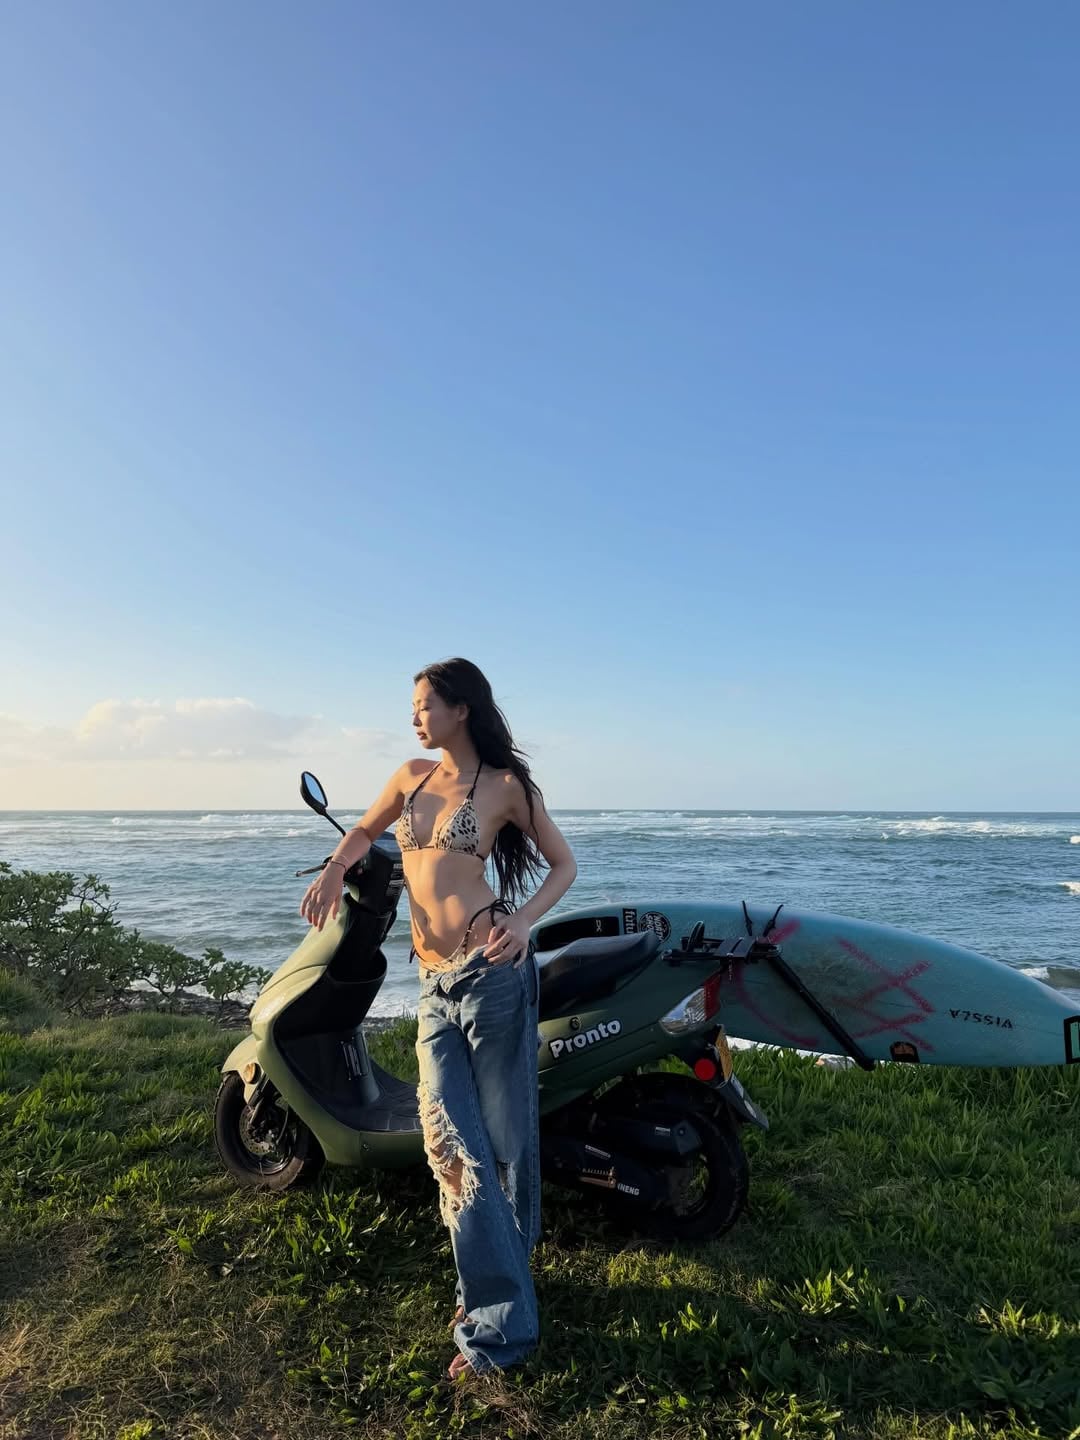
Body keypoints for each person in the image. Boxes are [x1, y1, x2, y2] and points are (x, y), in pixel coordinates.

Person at [299, 658, 577, 1380]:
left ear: (461, 709)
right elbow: (364, 831)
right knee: (448, 1140)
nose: (414, 716)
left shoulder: (506, 787)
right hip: (432, 983)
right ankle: (495, 1288)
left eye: (425, 704)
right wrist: (334, 867)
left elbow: (563, 866)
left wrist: (523, 921)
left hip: (491, 976)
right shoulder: (410, 776)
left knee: (501, 1140)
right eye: (414, 705)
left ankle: (498, 1321)